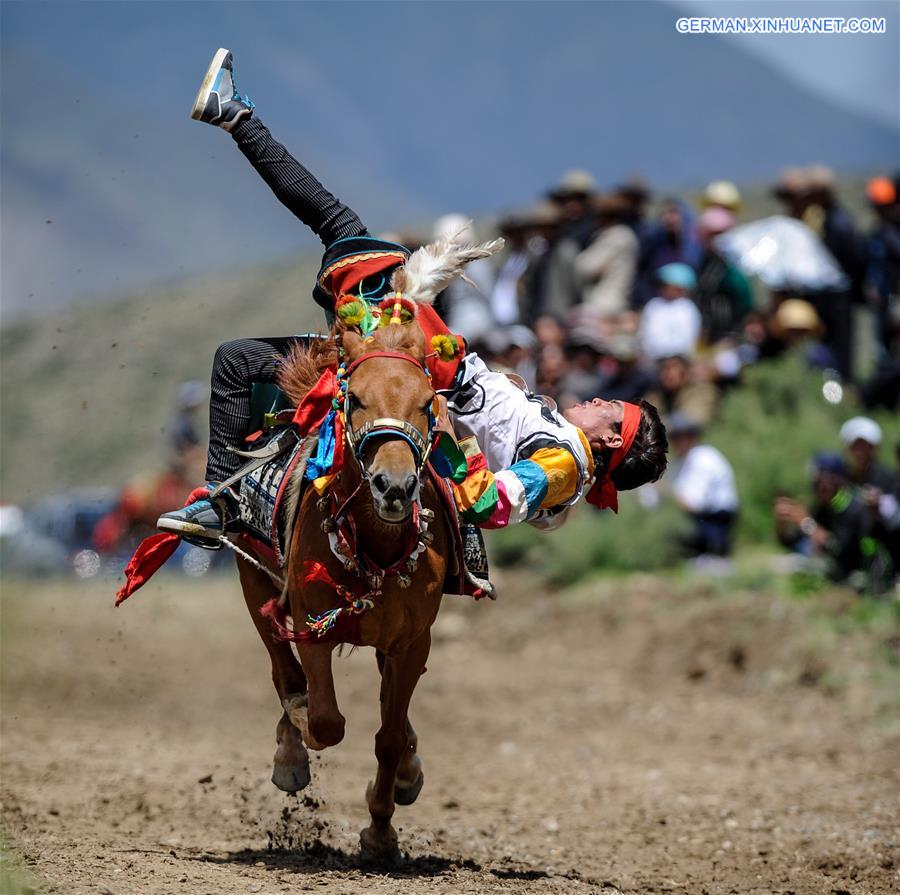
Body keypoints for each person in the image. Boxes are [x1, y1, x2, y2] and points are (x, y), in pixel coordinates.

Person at [157, 49, 668, 543]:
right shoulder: (562, 449)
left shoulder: (563, 464)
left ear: (608, 442)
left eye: (612, 412)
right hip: (429, 360)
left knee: (342, 229)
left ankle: (236, 116)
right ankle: (229, 496)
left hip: (421, 365)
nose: (603, 400)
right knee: (243, 359)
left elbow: (489, 504)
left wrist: (450, 431)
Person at [667, 413, 739, 558]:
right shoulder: (678, 462)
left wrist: (663, 490)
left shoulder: (703, 458)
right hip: (697, 518)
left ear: (692, 437)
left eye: (680, 437)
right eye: (674, 438)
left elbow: (694, 504)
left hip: (714, 520)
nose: (676, 442)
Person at [574, 194, 639, 318]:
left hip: (604, 305)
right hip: (614, 303)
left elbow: (585, 267)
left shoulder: (615, 236)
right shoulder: (627, 235)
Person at [639, 263, 702, 360]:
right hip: (653, 359)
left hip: (679, 359)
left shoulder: (688, 308)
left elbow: (688, 339)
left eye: (667, 285)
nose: (663, 288)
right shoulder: (653, 305)